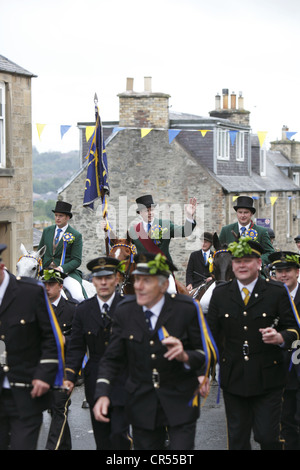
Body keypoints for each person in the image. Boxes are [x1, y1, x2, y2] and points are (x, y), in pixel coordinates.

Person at [93, 252, 208, 451]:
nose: (138, 286)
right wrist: (102, 393)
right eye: (137, 279)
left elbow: (203, 355)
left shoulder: (186, 309)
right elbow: (112, 359)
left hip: (180, 401)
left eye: (147, 281)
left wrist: (185, 356)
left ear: (163, 285)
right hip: (141, 403)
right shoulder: (125, 311)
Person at [205, 237, 299, 450]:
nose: (242, 265)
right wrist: (203, 371)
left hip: (269, 378)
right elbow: (209, 335)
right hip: (234, 377)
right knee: (237, 440)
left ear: (258, 263)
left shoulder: (276, 292)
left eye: (247, 260)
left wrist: (281, 337)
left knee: (268, 437)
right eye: (237, 261)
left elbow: (293, 328)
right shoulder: (220, 294)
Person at [64, 256, 131, 450]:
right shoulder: (83, 310)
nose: (103, 282)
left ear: (117, 279)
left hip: (124, 377)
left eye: (108, 277)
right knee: (102, 438)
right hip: (95, 379)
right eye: (98, 278)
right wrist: (69, 376)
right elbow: (76, 347)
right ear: (92, 281)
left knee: (120, 434)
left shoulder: (129, 307)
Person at [0, 244, 59, 450]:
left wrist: (44, 374)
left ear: (1, 267)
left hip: (26, 392)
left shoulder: (31, 292)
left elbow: (51, 339)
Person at [41, 268, 78, 450]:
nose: (47, 288)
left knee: (58, 407)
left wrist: (65, 340)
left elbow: (80, 341)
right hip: (44, 368)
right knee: (58, 410)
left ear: (60, 286)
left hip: (66, 369)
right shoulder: (38, 309)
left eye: (51, 284)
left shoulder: (72, 309)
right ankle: (64, 446)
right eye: (45, 284)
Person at [268, 250, 300, 450]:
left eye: (288, 270)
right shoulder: (269, 298)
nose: (283, 275)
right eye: (279, 271)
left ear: (297, 272)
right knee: (285, 422)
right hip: (280, 369)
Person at [38, 200, 85, 302]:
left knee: (78, 297)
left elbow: (76, 260)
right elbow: (40, 253)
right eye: (56, 215)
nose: (57, 218)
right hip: (45, 271)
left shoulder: (76, 235)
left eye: (61, 216)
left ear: (67, 217)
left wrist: (61, 269)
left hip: (66, 273)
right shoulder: (47, 231)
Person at [218, 195, 274, 266]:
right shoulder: (226, 230)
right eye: (240, 212)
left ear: (251, 214)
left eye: (246, 212)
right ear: (237, 213)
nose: (242, 215)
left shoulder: (261, 231)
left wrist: (257, 261)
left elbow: (270, 252)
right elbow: (218, 251)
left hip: (254, 272)